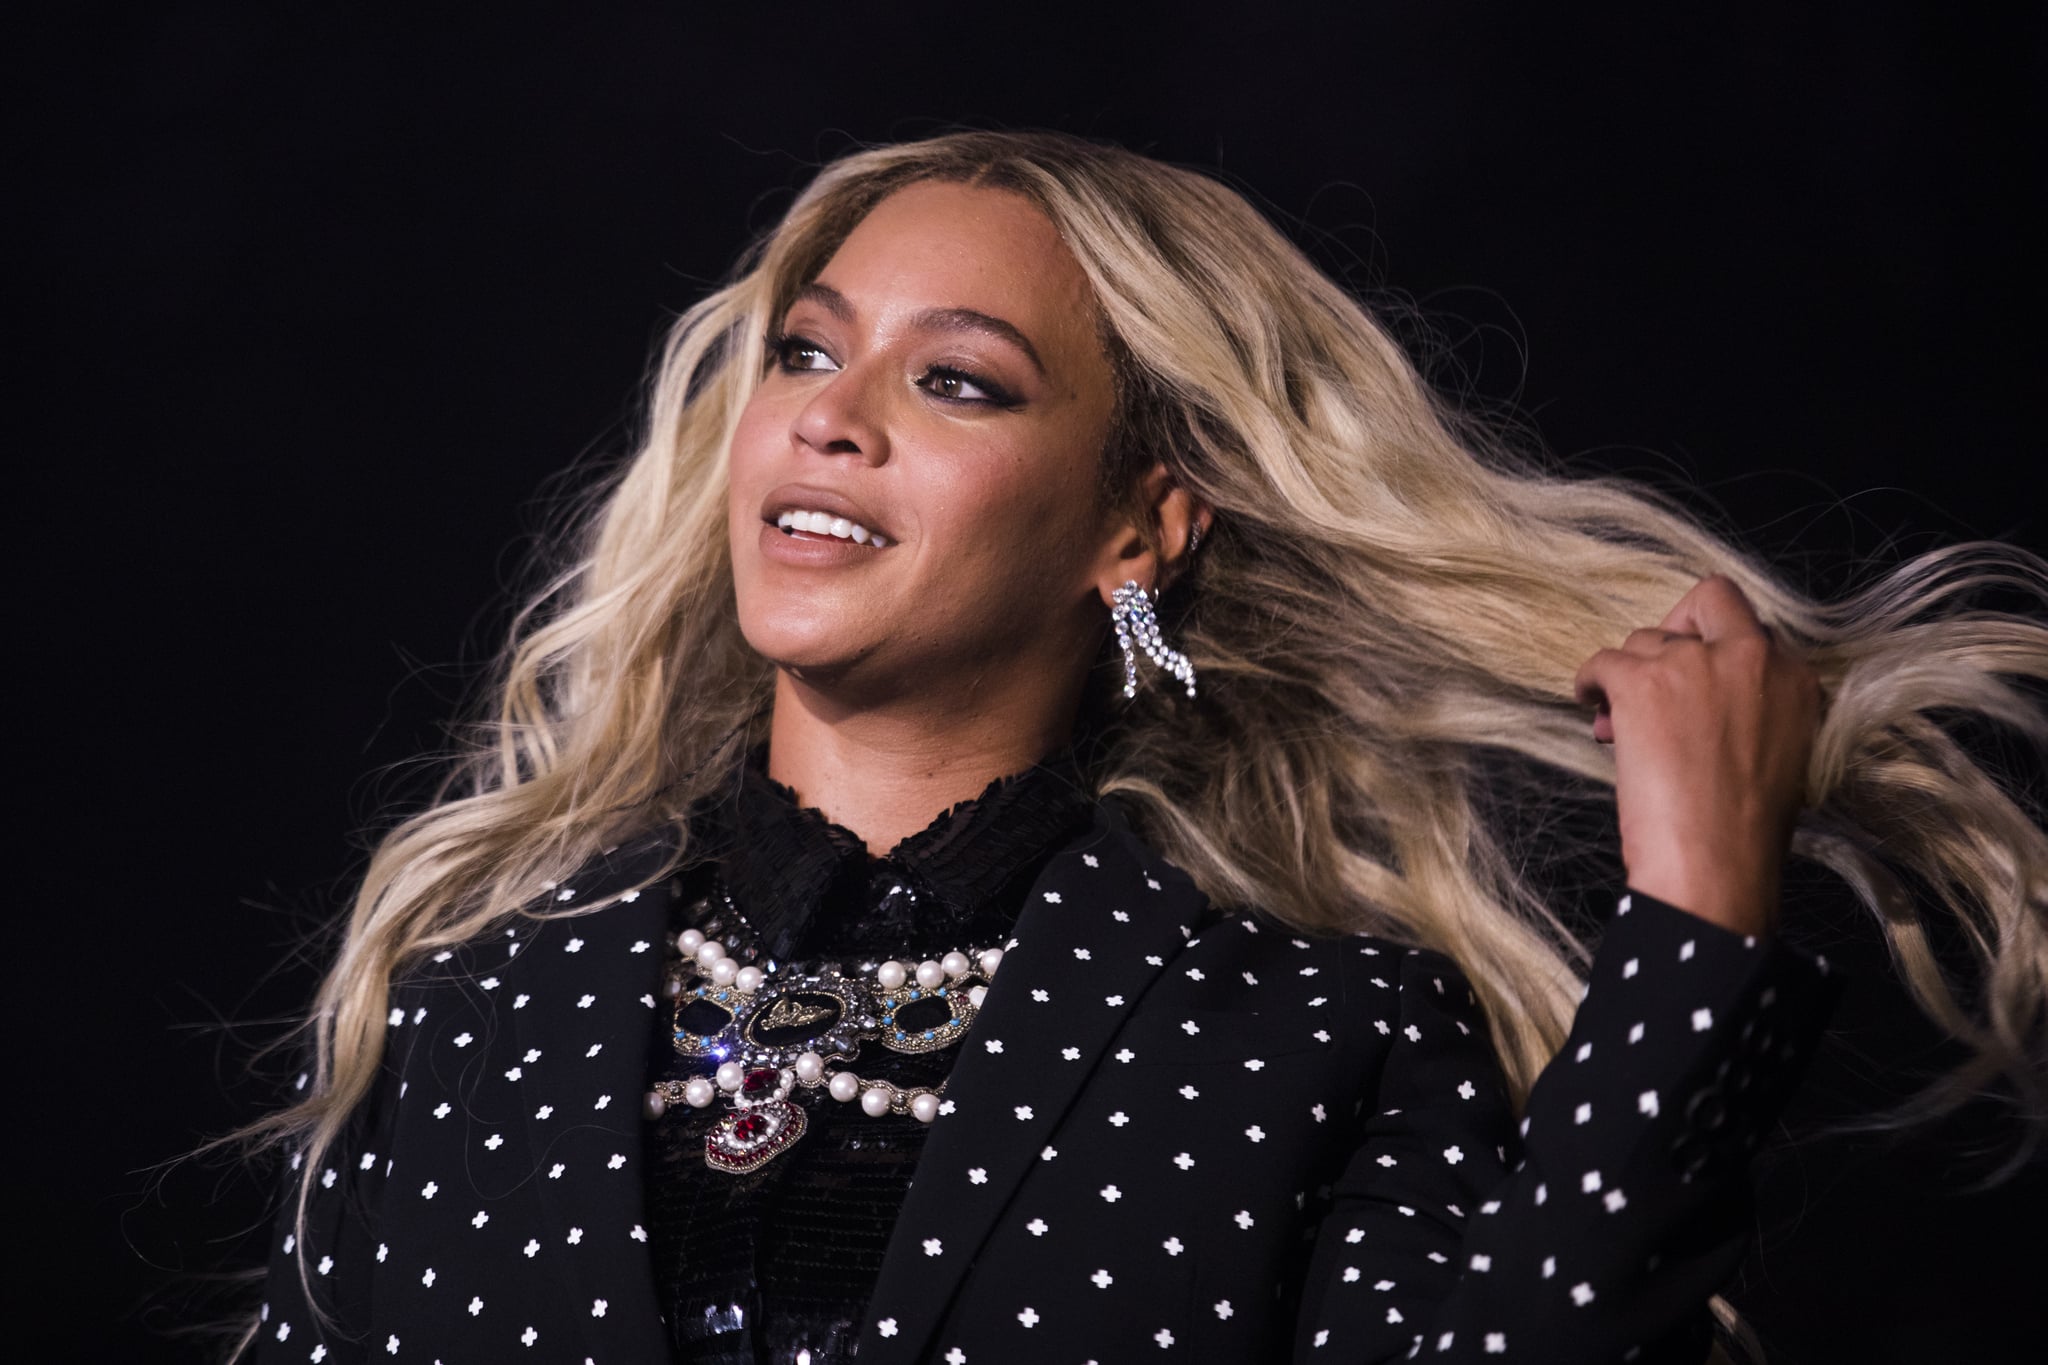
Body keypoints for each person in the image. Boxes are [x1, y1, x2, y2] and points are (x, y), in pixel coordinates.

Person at [240, 131, 2048, 1364]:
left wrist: (1695, 941)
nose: (834, 422)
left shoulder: (1314, 1035)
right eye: (806, 353)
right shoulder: (486, 1003)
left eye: (957, 379)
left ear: (1139, 533)